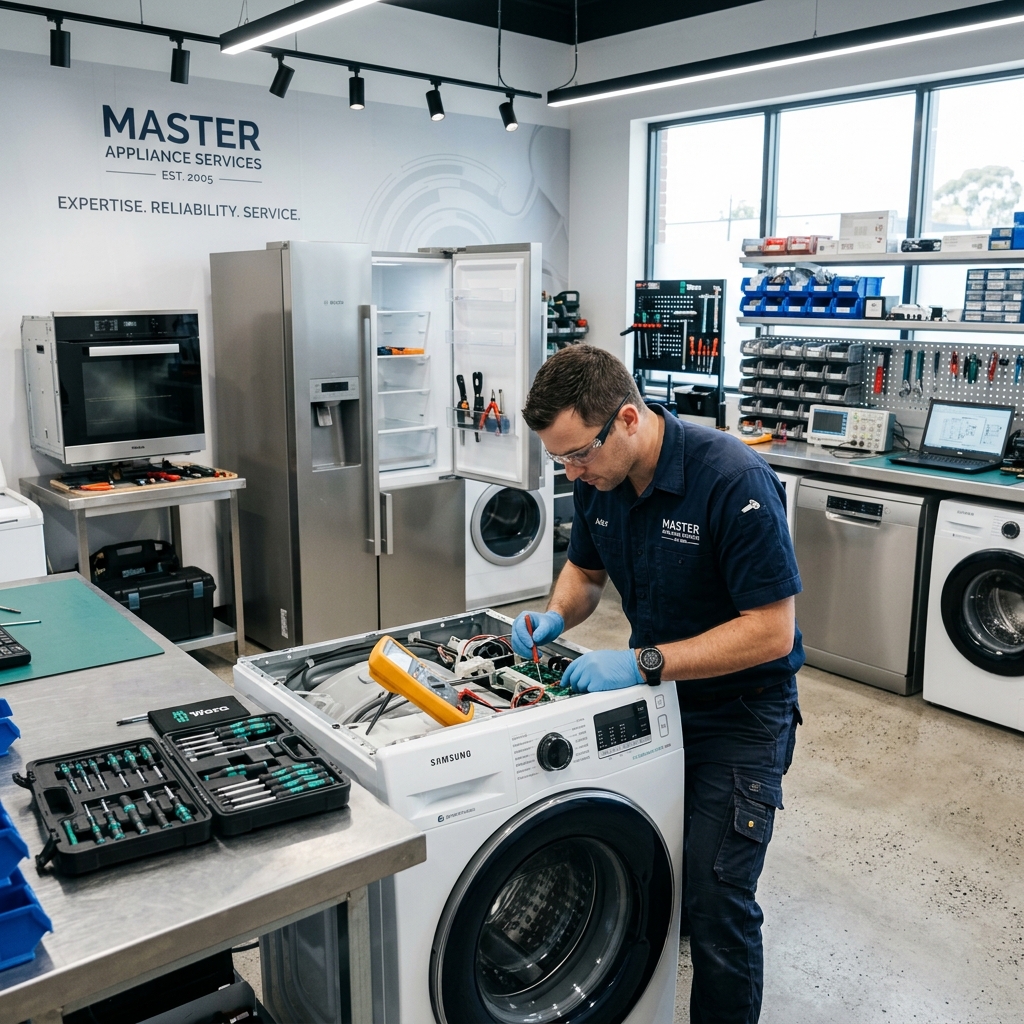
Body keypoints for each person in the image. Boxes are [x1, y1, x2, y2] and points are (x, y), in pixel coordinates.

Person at [511, 345, 803, 1024]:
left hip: (740, 714)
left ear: (628, 419)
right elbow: (586, 574)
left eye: (578, 454)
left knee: (718, 899)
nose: (572, 472)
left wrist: (642, 663)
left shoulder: (732, 480)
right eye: (559, 460)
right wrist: (556, 615)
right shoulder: (599, 479)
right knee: (650, 868)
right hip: (658, 702)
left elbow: (770, 632)